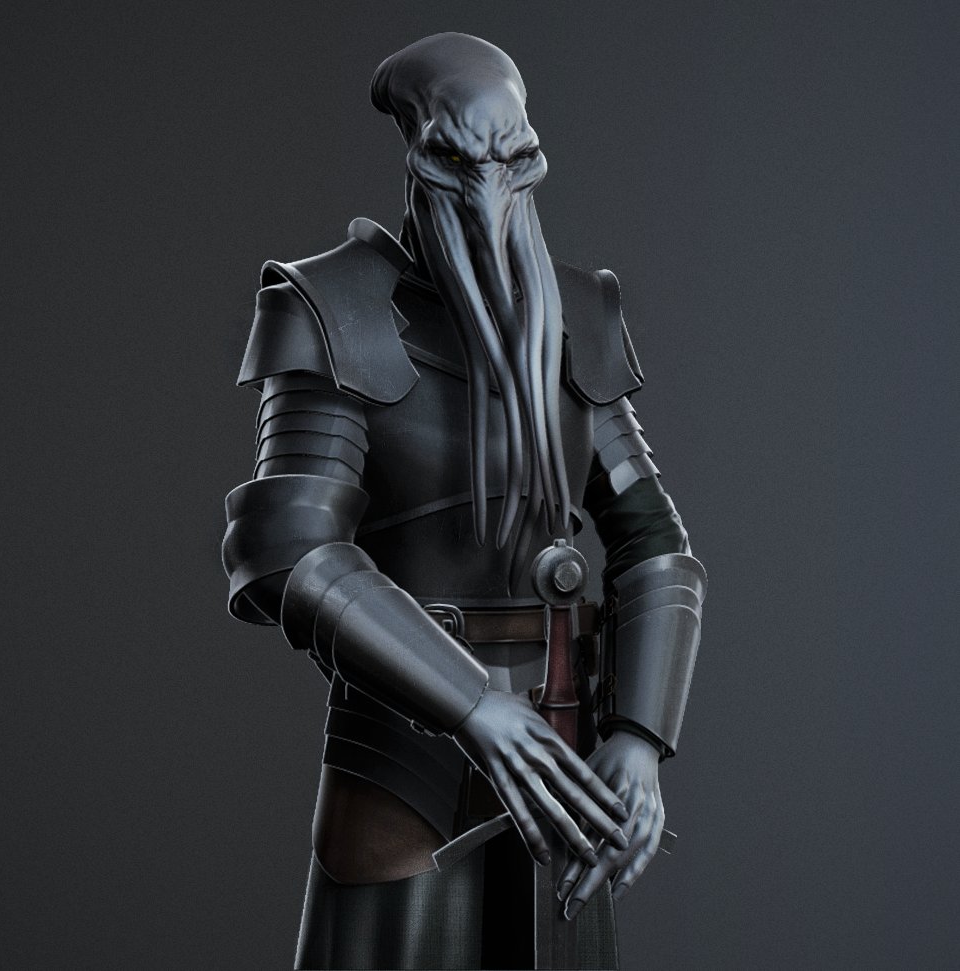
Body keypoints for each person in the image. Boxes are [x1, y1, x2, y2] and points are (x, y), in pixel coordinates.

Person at [222, 32, 706, 971]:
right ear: (417, 155)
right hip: (403, 751)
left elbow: (651, 539)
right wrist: (472, 706)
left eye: (512, 159)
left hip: (564, 746)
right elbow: (290, 550)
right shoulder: (331, 305)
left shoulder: (576, 313)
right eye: (457, 161)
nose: (488, 192)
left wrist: (640, 735)